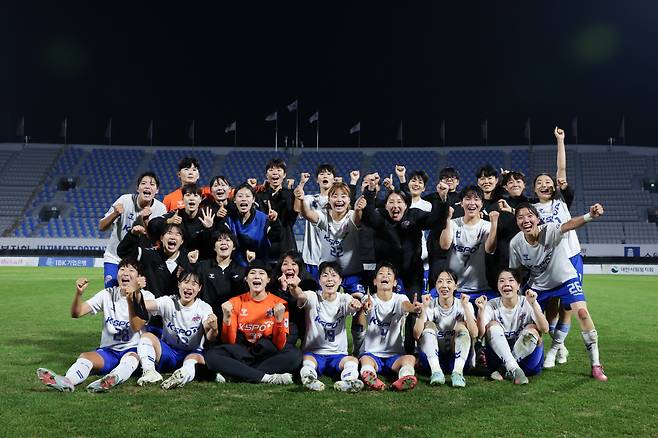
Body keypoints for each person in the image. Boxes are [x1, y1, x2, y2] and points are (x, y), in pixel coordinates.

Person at [509, 202, 608, 381]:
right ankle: (517, 363)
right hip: (538, 286)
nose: (526, 220)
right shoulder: (516, 243)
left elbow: (569, 225)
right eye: (520, 217)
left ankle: (596, 364)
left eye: (530, 216)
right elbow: (516, 272)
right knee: (532, 326)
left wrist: (590, 216)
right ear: (516, 222)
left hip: (565, 279)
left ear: (537, 219)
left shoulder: (550, 230)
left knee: (582, 313)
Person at [36, 259, 155, 392]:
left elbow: (137, 326)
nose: (125, 273)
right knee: (85, 357)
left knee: (131, 359)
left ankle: (112, 378)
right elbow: (77, 313)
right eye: (122, 269)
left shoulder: (147, 297)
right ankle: (68, 381)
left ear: (139, 277)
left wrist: (131, 297)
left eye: (131, 270)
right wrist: (79, 294)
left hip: (132, 350)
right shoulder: (107, 294)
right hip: (109, 352)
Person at [203, 260, 301, 384]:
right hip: (242, 352)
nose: (257, 276)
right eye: (253, 273)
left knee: (294, 355)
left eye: (261, 273)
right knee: (211, 356)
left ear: (268, 279)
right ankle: (266, 377)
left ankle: (237, 373)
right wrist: (227, 318)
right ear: (246, 279)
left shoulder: (280, 303)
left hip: (266, 353)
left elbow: (279, 344)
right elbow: (230, 342)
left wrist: (279, 321)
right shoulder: (235, 302)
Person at [532, 127, 580, 368]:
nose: (544, 185)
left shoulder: (561, 201)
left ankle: (554, 350)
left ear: (554, 187)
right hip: (548, 262)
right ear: (534, 189)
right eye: (539, 183)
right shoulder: (531, 210)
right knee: (551, 305)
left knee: (567, 306)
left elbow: (561, 170)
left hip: (571, 256)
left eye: (548, 182)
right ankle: (559, 345)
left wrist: (560, 140)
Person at [130, 269, 218, 389]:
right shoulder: (168, 302)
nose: (189, 287)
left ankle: (181, 376)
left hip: (191, 353)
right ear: (179, 284)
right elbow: (143, 305)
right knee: (146, 337)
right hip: (169, 352)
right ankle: (149, 372)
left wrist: (214, 328)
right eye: (185, 282)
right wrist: (136, 291)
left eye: (194, 284)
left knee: (194, 358)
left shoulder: (204, 308)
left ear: (199, 288)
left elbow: (210, 336)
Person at [287, 261, 365, 392]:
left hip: (338, 355)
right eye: (325, 275)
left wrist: (355, 304)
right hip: (314, 353)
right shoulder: (313, 296)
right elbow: (300, 295)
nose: (329, 279)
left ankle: (348, 382)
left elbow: (352, 304)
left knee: (352, 361)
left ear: (340, 280)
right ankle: (309, 380)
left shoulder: (344, 298)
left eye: (334, 275)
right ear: (319, 280)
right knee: (307, 360)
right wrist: (294, 287)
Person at [475, 269, 549, 385]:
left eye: (511, 280)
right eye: (502, 281)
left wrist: (534, 304)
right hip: (498, 360)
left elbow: (545, 329)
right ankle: (514, 368)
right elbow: (479, 334)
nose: (506, 284)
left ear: (518, 285)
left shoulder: (528, 302)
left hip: (526, 362)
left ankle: (506, 367)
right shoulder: (491, 305)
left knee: (532, 328)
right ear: (498, 286)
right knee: (492, 325)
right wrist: (481, 311)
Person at [294, 177, 365, 294]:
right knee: (322, 300)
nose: (339, 199)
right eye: (335, 196)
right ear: (329, 199)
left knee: (357, 299)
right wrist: (301, 200)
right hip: (328, 273)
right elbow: (307, 214)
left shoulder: (352, 215)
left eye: (343, 196)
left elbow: (357, 219)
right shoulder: (323, 215)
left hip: (352, 272)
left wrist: (358, 210)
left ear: (349, 200)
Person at [358, 262, 423, 391]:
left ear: (395, 283)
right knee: (365, 360)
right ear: (375, 281)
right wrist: (365, 306)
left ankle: (405, 378)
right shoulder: (369, 299)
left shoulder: (400, 298)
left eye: (389, 274)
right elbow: (367, 304)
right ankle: (370, 376)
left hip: (394, 355)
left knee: (409, 358)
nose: (385, 276)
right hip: (371, 354)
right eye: (381, 273)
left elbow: (406, 305)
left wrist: (413, 308)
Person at [99, 172, 166, 288]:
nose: (147, 186)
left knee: (135, 295)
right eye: (143, 183)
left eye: (152, 184)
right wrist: (114, 214)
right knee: (111, 293)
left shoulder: (160, 209)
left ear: (157, 190)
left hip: (139, 261)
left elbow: (156, 242)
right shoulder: (124, 200)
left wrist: (145, 221)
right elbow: (101, 227)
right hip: (115, 257)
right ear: (137, 188)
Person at [414, 270, 477, 387]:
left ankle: (457, 373)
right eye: (440, 281)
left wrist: (466, 308)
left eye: (449, 281)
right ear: (435, 285)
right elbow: (416, 335)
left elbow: (474, 333)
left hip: (457, 360)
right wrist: (424, 309)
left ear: (455, 286)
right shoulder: (429, 304)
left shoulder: (464, 304)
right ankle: (436, 372)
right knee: (429, 325)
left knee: (461, 325)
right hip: (433, 360)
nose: (444, 285)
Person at [439, 185, 499, 302]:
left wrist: (494, 224)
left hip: (480, 288)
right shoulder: (453, 223)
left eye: (476, 199)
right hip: (454, 289)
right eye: (467, 199)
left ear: (482, 204)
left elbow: (490, 249)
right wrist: (447, 219)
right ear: (461, 203)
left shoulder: (486, 226)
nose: (472, 203)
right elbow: (444, 246)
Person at [188, 230, 247, 318]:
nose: (223, 243)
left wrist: (251, 264)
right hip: (207, 317)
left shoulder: (241, 270)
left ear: (234, 247)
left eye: (228, 240)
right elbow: (190, 285)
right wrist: (192, 264)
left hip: (232, 318)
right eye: (219, 240)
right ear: (214, 247)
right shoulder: (202, 267)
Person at [295, 164, 336, 279]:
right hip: (311, 258)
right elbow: (297, 209)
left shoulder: (338, 202)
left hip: (331, 258)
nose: (325, 176)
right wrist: (301, 184)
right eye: (322, 174)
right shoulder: (309, 199)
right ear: (317, 180)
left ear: (333, 179)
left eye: (328, 174)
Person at [255, 158, 299, 262]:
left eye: (279, 170)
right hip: (265, 245)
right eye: (271, 170)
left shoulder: (291, 195)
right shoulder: (259, 196)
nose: (275, 173)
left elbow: (292, 216)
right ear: (266, 175)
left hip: (286, 244)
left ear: (284, 174)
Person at [226, 183, 279, 266]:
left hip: (260, 265)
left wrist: (275, 222)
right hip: (236, 267)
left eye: (247, 196)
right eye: (240, 196)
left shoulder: (263, 218)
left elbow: (275, 237)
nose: (244, 199)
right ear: (234, 200)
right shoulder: (230, 219)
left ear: (253, 199)